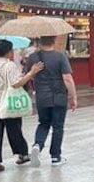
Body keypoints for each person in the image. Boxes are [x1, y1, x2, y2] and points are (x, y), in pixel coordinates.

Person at [0, 40, 43, 173]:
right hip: (7, 104)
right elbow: (16, 83)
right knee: (14, 129)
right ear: (9, 52)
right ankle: (22, 154)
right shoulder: (9, 65)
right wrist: (31, 73)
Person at [26, 35, 77, 167]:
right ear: (54, 40)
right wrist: (73, 97)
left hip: (41, 96)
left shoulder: (33, 57)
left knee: (43, 123)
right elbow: (67, 78)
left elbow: (28, 76)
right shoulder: (60, 56)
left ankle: (38, 144)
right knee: (58, 127)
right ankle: (55, 157)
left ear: (40, 41)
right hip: (58, 96)